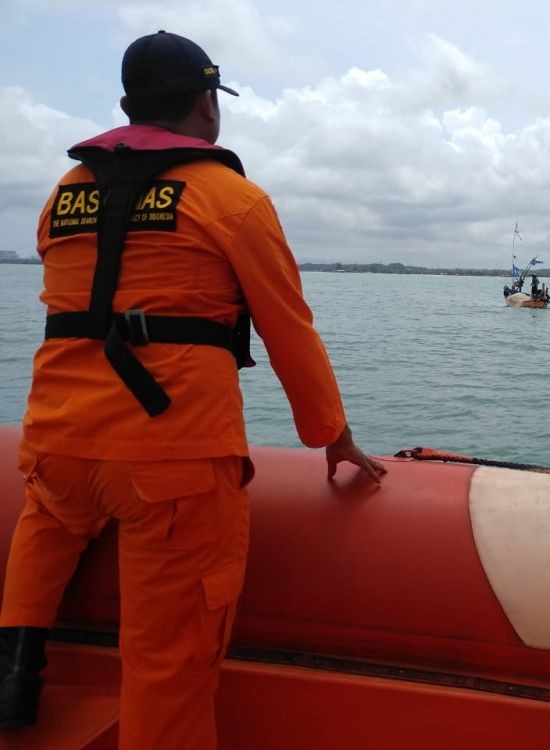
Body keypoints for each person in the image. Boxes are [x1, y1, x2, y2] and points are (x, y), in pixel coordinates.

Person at [0, 30, 385, 748]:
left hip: (55, 444)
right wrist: (331, 435)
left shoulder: (63, 195)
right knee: (166, 665)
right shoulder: (229, 198)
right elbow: (288, 329)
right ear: (208, 105)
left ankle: (14, 676)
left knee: (45, 528)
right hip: (170, 463)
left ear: (126, 106)